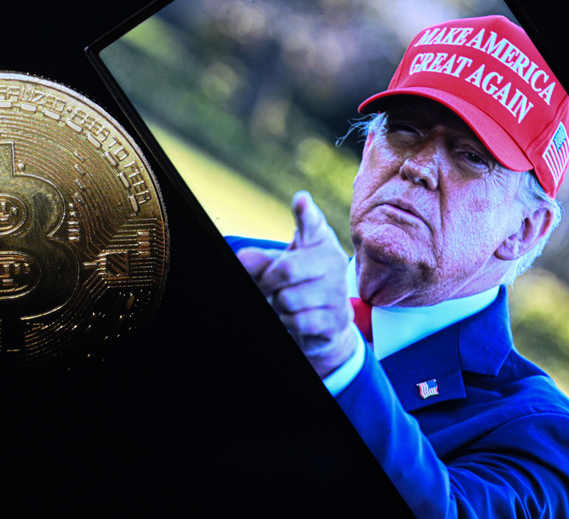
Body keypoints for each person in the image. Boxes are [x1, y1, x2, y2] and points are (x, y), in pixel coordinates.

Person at [226, 15, 569, 518]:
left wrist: (341, 359)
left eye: (472, 155)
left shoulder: (538, 429)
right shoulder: (237, 261)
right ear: (369, 148)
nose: (418, 166)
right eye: (405, 129)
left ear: (525, 230)